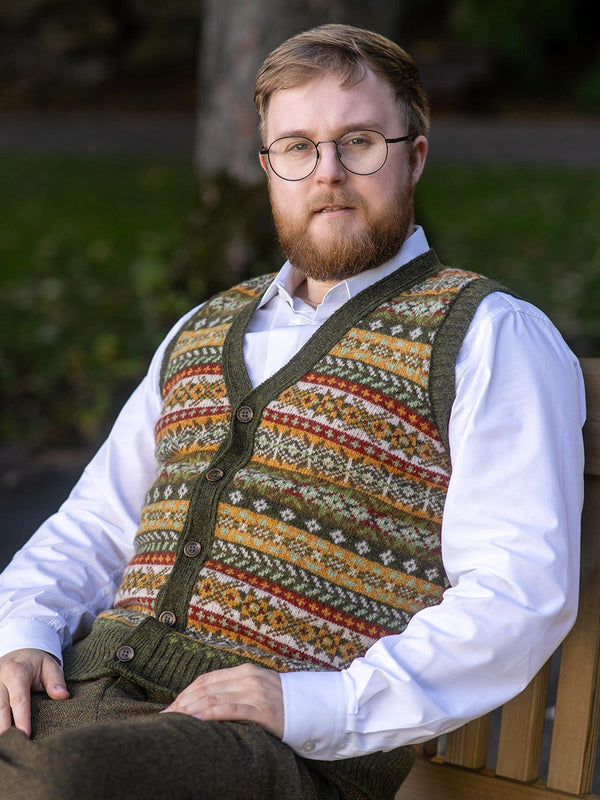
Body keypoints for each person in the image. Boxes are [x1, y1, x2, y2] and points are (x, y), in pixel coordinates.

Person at [0, 23, 585, 800]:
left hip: (278, 749)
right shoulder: (202, 328)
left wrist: (315, 702)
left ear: (414, 154)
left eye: (361, 142)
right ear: (269, 167)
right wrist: (22, 632)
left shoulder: (487, 335)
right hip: (92, 699)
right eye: (299, 147)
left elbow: (519, 589)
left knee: (64, 782)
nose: (329, 174)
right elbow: (97, 524)